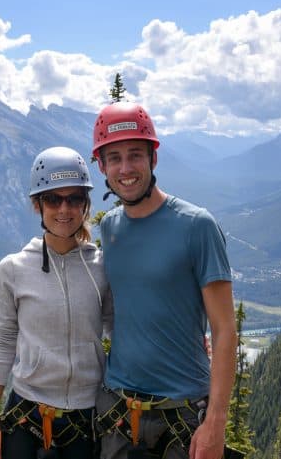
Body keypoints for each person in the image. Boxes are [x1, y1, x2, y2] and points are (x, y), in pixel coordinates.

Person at [92, 102, 238, 459]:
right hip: (119, 412)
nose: (125, 169)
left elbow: (224, 329)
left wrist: (216, 422)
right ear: (102, 166)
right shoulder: (109, 228)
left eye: (135, 155)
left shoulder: (196, 226)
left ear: (153, 158)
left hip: (183, 413)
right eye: (114, 158)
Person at [0, 146, 112, 459]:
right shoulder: (13, 268)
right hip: (28, 413)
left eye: (74, 199)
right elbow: (3, 340)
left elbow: (120, 329)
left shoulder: (103, 267)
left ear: (85, 204)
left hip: (87, 413)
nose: (64, 209)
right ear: (38, 205)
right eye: (53, 199)